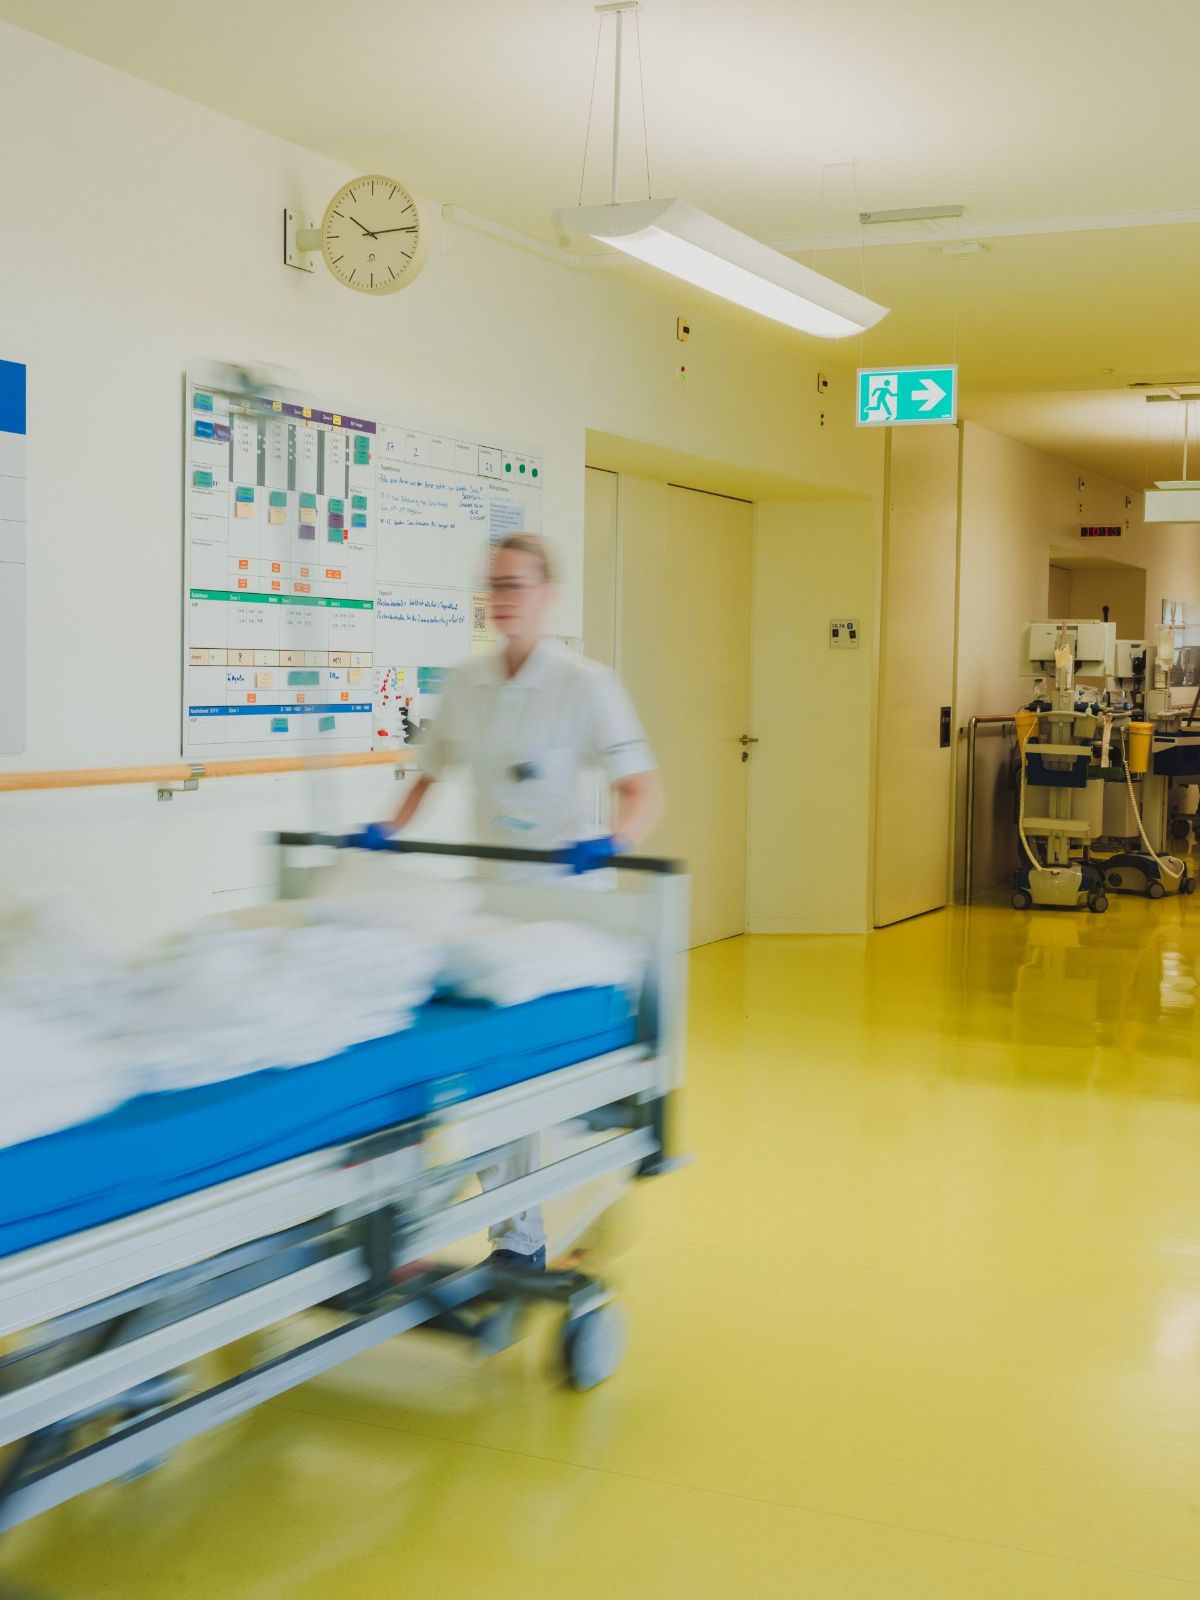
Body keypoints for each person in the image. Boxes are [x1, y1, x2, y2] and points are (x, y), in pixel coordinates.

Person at [363, 532, 663, 1270]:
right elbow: (430, 771)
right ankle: (435, 1219)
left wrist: (615, 840)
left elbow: (644, 791)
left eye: (517, 585)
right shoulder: (466, 685)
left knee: (512, 1075)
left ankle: (521, 1234)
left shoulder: (586, 684)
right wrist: (384, 829)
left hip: (565, 908)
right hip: (490, 903)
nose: (503, 599)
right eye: (493, 586)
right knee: (465, 1060)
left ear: (549, 594)